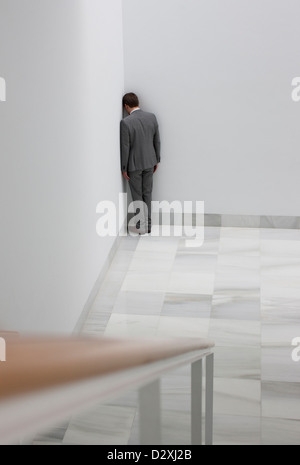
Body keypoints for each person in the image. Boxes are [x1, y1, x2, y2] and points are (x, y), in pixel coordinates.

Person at [120, 93, 161, 235]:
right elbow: (157, 141)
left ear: (126, 106)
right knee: (147, 193)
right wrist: (157, 160)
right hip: (150, 161)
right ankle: (148, 225)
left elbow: (125, 147)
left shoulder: (126, 122)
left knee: (137, 196)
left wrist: (124, 168)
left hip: (134, 165)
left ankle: (141, 226)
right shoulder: (151, 117)